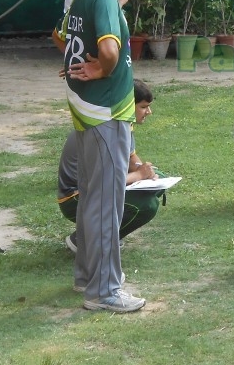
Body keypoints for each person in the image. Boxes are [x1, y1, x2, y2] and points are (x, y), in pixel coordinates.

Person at [59, 0, 144, 313]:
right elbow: (109, 50)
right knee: (107, 203)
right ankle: (105, 291)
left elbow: (63, 37)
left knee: (92, 199)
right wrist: (100, 68)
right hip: (108, 112)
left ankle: (86, 277)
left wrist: (77, 66)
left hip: (86, 110)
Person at [58, 79, 163, 253]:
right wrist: (138, 175)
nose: (149, 112)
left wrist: (142, 169)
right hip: (76, 199)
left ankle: (103, 234)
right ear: (129, 106)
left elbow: (131, 158)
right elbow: (104, 181)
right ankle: (84, 241)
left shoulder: (119, 121)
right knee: (146, 206)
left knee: (157, 179)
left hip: (95, 189)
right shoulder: (105, 132)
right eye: (144, 107)